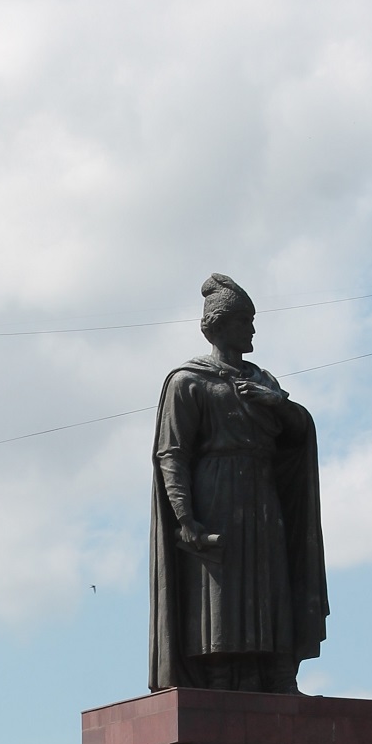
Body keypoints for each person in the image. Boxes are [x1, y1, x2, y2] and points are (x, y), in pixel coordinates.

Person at [148, 274, 328, 693]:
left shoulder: (264, 381)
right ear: (222, 323)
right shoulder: (188, 381)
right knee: (221, 594)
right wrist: (185, 518)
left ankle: (278, 674)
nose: (252, 330)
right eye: (246, 321)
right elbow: (171, 453)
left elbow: (299, 432)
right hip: (216, 494)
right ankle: (221, 678)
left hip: (264, 495)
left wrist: (279, 404)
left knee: (272, 584)